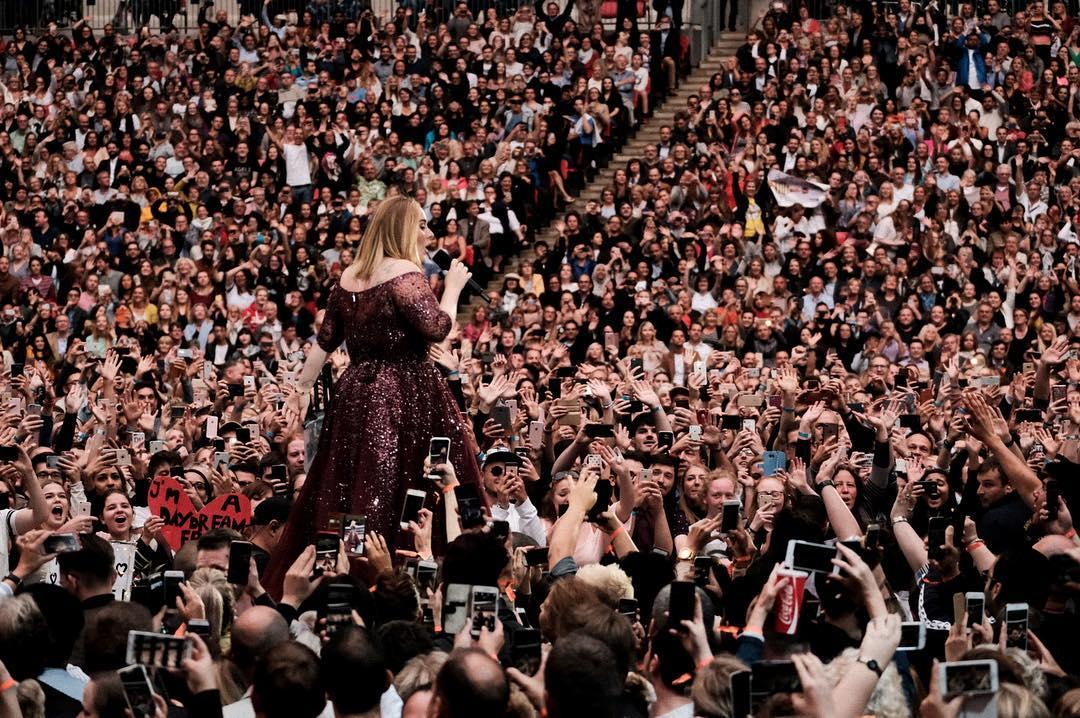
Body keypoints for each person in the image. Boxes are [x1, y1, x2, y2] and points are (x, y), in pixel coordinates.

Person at [264, 195, 479, 595]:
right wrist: (452, 289)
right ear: (402, 228)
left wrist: (301, 389)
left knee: (351, 483)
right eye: (421, 225)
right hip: (405, 392)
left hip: (355, 396)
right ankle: (392, 579)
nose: (428, 233)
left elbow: (325, 341)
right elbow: (436, 329)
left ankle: (343, 573)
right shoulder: (405, 272)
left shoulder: (349, 276)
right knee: (394, 485)